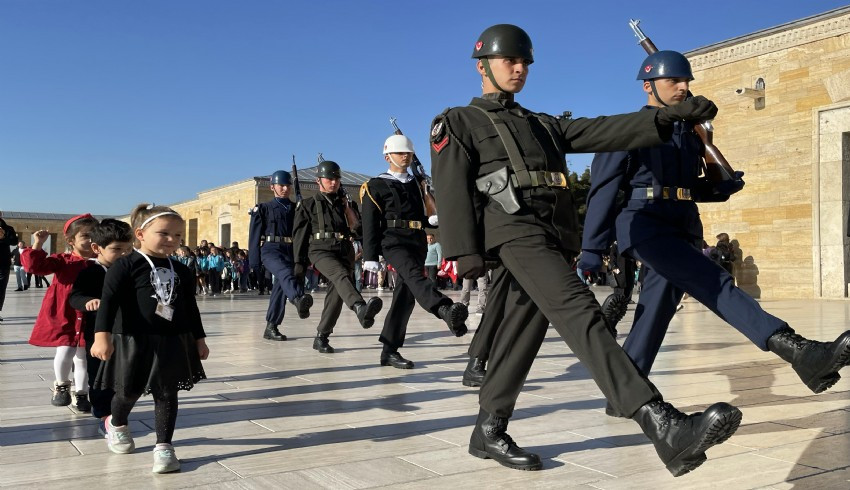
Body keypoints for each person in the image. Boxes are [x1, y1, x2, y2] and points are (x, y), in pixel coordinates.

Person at [430, 24, 741, 476]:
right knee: (582, 311)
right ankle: (662, 425)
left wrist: (668, 117)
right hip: (511, 230)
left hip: (549, 234)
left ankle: (489, 429)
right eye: (508, 62)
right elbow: (451, 184)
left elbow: (605, 130)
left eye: (524, 63)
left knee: (522, 332)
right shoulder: (458, 120)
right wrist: (460, 250)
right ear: (482, 67)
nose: (518, 69)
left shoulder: (542, 123)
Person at [579, 50, 850, 406]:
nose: (682, 87)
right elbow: (605, 188)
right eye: (672, 81)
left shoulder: (687, 134)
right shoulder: (628, 127)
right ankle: (798, 351)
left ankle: (623, 397)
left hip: (682, 226)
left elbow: (689, 187)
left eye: (686, 81)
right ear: (648, 86)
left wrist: (721, 186)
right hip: (644, 226)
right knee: (715, 282)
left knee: (654, 314)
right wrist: (592, 248)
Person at [90, 204, 209, 474]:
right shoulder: (125, 265)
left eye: (178, 235)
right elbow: (108, 303)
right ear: (140, 234)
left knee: (167, 393)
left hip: (171, 339)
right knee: (128, 391)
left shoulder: (181, 269)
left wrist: (198, 339)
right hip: (134, 338)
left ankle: (164, 447)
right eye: (164, 233)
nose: (172, 240)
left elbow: (190, 307)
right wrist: (101, 337)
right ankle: (116, 424)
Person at [360, 135, 469, 368]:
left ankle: (389, 350)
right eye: (401, 153)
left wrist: (431, 216)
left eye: (408, 153)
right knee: (415, 277)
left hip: (416, 241)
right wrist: (369, 256)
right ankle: (444, 309)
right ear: (387, 156)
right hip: (392, 241)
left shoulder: (416, 184)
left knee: (404, 297)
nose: (405, 156)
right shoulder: (375, 185)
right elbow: (369, 222)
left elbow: (423, 215)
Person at [293, 160, 382, 353]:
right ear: (319, 181)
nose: (333, 182)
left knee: (336, 295)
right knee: (341, 275)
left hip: (344, 250)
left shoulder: (346, 205)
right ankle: (360, 307)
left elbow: (358, 231)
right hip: (320, 249)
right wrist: (299, 265)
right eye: (329, 179)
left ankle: (321, 336)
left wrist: (348, 208)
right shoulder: (308, 204)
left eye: (336, 179)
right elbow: (299, 236)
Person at [23, 214, 99, 409]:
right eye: (86, 236)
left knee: (83, 355)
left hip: (89, 314)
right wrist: (38, 244)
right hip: (64, 313)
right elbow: (34, 267)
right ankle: (62, 385)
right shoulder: (62, 260)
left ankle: (82, 393)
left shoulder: (99, 262)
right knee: (65, 351)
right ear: (70, 240)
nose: (91, 240)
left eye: (95, 235)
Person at [69, 219, 134, 430]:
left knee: (124, 375)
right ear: (97, 248)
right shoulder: (90, 272)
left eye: (128, 249)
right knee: (99, 375)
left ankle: (117, 411)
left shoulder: (131, 270)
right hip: (98, 333)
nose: (124, 254)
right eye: (117, 249)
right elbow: (75, 296)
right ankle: (103, 414)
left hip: (126, 332)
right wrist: (87, 301)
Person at [248, 170, 313, 340]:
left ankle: (271, 327)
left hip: (290, 249)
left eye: (287, 185)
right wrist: (254, 263)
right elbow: (254, 236)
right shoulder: (263, 208)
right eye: (281, 185)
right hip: (271, 250)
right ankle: (299, 298)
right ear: (272, 187)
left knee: (281, 288)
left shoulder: (296, 208)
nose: (285, 188)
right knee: (286, 273)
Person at [0, 212, 17, 321]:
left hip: (3, 263)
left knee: (1, 288)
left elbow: (14, 241)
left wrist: (3, 238)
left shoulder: (8, 228)